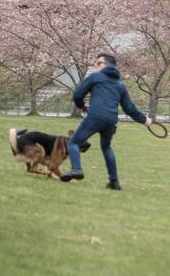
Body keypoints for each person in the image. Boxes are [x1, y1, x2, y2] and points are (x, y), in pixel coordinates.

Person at [60, 52, 153, 190]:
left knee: (74, 142)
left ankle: (76, 170)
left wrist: (81, 106)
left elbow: (77, 94)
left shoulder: (95, 77)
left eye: (97, 63)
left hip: (95, 117)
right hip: (111, 121)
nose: (95, 66)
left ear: (106, 65)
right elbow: (129, 108)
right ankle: (114, 182)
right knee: (106, 147)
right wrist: (144, 120)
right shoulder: (120, 84)